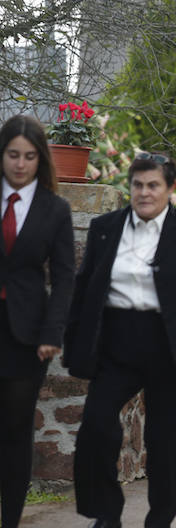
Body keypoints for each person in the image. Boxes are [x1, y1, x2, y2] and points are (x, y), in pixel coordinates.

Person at [67, 152, 176, 528]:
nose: (144, 193)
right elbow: (84, 288)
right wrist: (74, 340)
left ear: (170, 189)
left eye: (153, 185)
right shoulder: (106, 227)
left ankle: (160, 520)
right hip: (116, 343)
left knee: (167, 445)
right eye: (138, 185)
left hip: (170, 345)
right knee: (95, 426)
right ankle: (106, 514)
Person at [0, 116, 74, 528]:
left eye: (29, 156)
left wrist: (52, 332)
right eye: (13, 155)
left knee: (14, 429)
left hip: (27, 337)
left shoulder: (54, 208)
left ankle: (10, 518)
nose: (20, 164)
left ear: (40, 159)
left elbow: (64, 277)